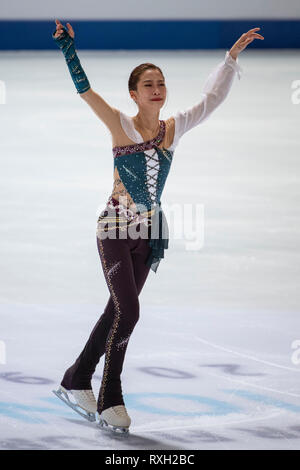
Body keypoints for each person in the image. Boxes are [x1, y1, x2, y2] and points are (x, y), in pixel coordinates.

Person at [51, 19, 264, 433]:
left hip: (148, 236)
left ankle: (78, 377)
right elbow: (85, 92)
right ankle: (110, 393)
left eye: (161, 83)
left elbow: (211, 100)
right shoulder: (120, 124)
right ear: (134, 94)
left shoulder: (173, 129)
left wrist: (230, 59)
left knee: (117, 309)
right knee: (128, 310)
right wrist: (67, 49)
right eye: (148, 85)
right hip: (114, 230)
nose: (157, 90)